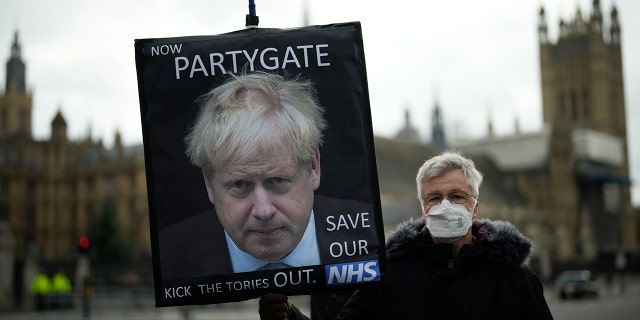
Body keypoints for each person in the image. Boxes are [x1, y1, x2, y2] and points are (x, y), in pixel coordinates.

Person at [259, 151, 553, 320]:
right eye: (435, 198)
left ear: (475, 207)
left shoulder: (513, 278)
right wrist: (289, 317)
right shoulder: (388, 275)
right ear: (423, 208)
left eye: (457, 196)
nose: (445, 205)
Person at [159, 72, 378, 279]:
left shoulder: (371, 238)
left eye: (277, 181)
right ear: (209, 184)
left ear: (314, 166)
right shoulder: (169, 257)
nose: (263, 211)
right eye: (240, 185)